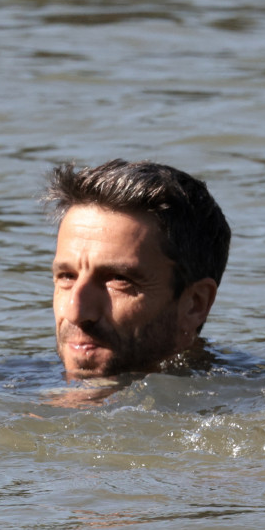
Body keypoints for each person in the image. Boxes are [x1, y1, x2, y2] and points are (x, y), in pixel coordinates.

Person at [43, 158, 232, 381]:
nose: (76, 313)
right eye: (67, 276)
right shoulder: (3, 384)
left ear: (195, 304)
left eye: (118, 279)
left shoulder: (258, 400)